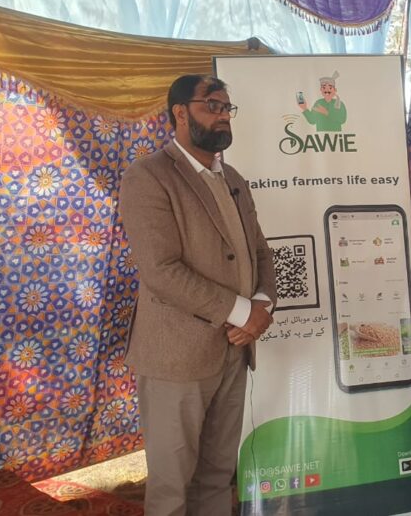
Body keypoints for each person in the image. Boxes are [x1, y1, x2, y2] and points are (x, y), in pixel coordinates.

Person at [119, 74, 277, 516]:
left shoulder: (234, 179)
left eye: (227, 107)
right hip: (176, 356)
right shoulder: (148, 177)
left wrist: (263, 306)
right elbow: (161, 271)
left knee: (218, 474)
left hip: (235, 350)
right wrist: (243, 312)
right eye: (212, 105)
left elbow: (260, 253)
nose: (223, 115)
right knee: (172, 484)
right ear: (180, 113)